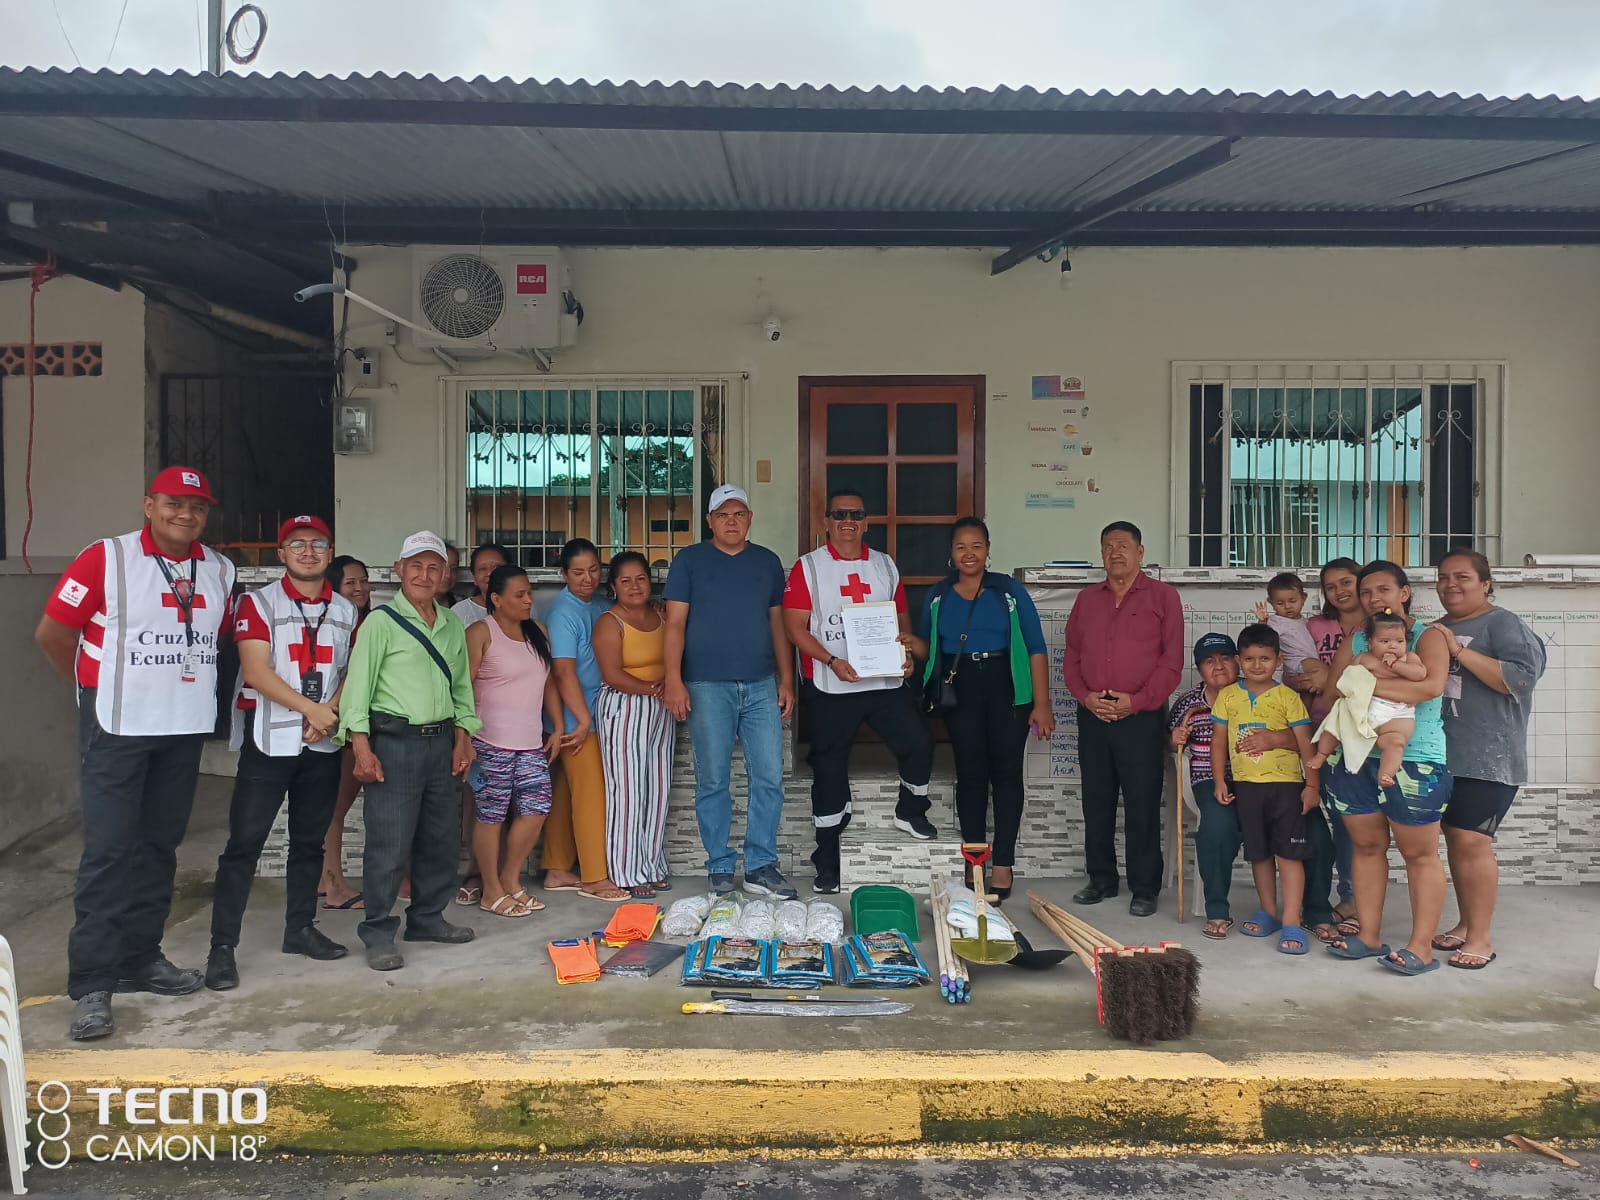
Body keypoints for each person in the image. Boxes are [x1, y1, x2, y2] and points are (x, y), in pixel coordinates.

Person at [35, 466, 236, 1041]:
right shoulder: (106, 558)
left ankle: (142, 957)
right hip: (118, 727)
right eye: (174, 503)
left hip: (181, 728)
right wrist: (93, 691)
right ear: (149, 505)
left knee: (158, 848)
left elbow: (215, 639)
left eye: (198, 506)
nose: (186, 514)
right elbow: (54, 633)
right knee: (109, 851)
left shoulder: (219, 569)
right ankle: (93, 983)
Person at [206, 516, 358, 990]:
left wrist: (330, 711)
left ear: (330, 551)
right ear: (281, 553)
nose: (308, 552)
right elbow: (256, 671)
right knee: (244, 845)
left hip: (322, 742)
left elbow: (352, 671)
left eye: (318, 544)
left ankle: (300, 929)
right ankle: (222, 948)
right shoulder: (258, 603)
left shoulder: (346, 610)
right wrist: (313, 709)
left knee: (309, 843)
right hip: (270, 741)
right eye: (297, 544)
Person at [335, 530, 481, 971]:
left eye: (434, 567)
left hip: (441, 743)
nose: (424, 575)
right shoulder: (380, 623)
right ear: (399, 570)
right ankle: (379, 931)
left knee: (440, 839)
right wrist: (361, 748)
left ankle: (427, 918)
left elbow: (461, 688)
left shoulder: (451, 623)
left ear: (445, 575)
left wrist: (463, 736)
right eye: (415, 566)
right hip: (394, 744)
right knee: (389, 843)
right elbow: (357, 691)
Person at [784, 492, 934, 895]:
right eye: (839, 514)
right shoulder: (808, 567)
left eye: (856, 514)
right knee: (829, 769)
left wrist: (905, 656)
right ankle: (827, 860)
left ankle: (911, 810)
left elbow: (899, 617)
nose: (847, 520)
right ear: (826, 522)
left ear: (866, 523)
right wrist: (832, 660)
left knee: (918, 742)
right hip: (832, 681)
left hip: (882, 680)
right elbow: (795, 628)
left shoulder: (884, 564)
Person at [663, 484, 797, 899]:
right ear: (710, 521)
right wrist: (673, 679)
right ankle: (720, 865)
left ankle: (760, 865)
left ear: (750, 518)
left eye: (739, 514)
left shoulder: (767, 562)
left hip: (760, 684)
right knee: (713, 780)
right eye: (723, 515)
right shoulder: (689, 561)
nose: (731, 521)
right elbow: (675, 625)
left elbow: (777, 624)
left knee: (769, 777)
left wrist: (786, 679)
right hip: (706, 685)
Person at [1322, 560, 1452, 976]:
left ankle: (1422, 948)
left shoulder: (1428, 636)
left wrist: (1363, 682)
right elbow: (1331, 692)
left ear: (1404, 593)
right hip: (1356, 756)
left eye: (1383, 590)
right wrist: (1368, 685)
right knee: (1365, 847)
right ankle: (1369, 935)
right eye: (1366, 592)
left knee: (1419, 853)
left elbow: (1429, 686)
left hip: (1414, 758)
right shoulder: (1358, 638)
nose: (1373, 599)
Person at [922, 517, 1053, 902]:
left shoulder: (1009, 591)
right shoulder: (938, 596)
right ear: (951, 552)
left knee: (1007, 775)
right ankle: (975, 860)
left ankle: (1004, 863)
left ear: (988, 549)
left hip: (1006, 688)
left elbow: (1036, 647)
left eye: (976, 546)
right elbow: (930, 647)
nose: (969, 554)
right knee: (971, 775)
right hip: (961, 689)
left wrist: (1042, 704)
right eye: (961, 546)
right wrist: (901, 644)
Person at [1429, 549, 1545, 970]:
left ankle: (1480, 938)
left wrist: (1458, 652)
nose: (1451, 585)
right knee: (1456, 841)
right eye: (1444, 577)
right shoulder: (1438, 628)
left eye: (1462, 577)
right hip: (1443, 757)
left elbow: (1521, 679)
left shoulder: (1503, 623)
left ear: (1486, 583)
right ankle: (1465, 924)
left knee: (1473, 843)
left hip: (1490, 758)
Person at [1062, 521, 1184, 916]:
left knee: (1142, 802)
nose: (1115, 553)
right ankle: (1101, 879)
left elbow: (1172, 662)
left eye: (1123, 546)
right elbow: (1072, 656)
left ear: (1140, 552)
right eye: (1108, 547)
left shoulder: (1164, 597)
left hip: (1141, 717)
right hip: (1094, 713)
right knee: (1096, 800)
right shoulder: (1087, 600)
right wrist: (1086, 697)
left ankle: (1144, 887)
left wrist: (1138, 701)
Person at [1208, 624, 1321, 956]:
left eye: (1265, 659)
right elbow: (1218, 742)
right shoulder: (1229, 696)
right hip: (1246, 787)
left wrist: (1312, 785)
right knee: (1258, 852)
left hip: (1287, 787)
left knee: (1289, 855)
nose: (1257, 665)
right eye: (1249, 659)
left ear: (1278, 660)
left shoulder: (1288, 697)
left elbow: (1306, 744)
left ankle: (1292, 921)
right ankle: (1269, 912)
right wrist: (1219, 780)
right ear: (1239, 661)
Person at [467, 563, 565, 917]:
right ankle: (490, 890)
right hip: (488, 741)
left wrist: (557, 726)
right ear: (496, 599)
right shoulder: (481, 632)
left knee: (536, 810)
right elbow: (462, 688)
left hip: (530, 743)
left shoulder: (537, 631)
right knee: (490, 815)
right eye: (519, 595)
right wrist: (463, 738)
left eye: (529, 594)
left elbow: (548, 682)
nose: (528, 601)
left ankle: (510, 880)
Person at [541, 539, 628, 902]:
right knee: (592, 794)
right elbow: (562, 672)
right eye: (578, 572)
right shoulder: (564, 612)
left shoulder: (600, 606)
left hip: (590, 715)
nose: (587, 578)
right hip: (576, 720)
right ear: (564, 574)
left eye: (593, 570)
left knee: (565, 793)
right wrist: (580, 720)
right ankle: (594, 876)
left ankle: (556, 867)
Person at [593, 551, 675, 898]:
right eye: (625, 581)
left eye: (640, 578)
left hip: (660, 706)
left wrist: (665, 690)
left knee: (658, 787)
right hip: (625, 706)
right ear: (613, 586)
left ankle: (652, 864)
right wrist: (655, 689)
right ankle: (626, 870)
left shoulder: (661, 615)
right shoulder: (609, 622)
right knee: (627, 790)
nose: (634, 586)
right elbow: (612, 674)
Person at [1296, 558, 1365, 938]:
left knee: (1354, 822)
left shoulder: (1378, 627)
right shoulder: (1313, 627)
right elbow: (1293, 673)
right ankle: (1330, 898)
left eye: (1347, 582)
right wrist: (1317, 680)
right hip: (1317, 733)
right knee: (1331, 820)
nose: (1339, 591)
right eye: (1330, 586)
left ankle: (1355, 897)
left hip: (1361, 736)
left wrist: (1331, 679)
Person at [1168, 633, 1243, 939]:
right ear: (1199, 669)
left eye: (1226, 658)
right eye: (1209, 661)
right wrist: (1173, 740)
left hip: (1256, 779)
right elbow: (1168, 739)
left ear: (1238, 662)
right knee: (1218, 825)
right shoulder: (1189, 703)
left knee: (1310, 827)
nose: (1219, 666)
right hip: (1207, 780)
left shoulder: (1257, 695)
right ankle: (1217, 910)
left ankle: (1313, 912)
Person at [1310, 610, 1427, 787]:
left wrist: (1396, 665)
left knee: (1395, 744)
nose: (1392, 646)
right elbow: (1347, 678)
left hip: (1397, 715)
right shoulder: (1363, 658)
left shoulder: (1410, 658)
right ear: (1370, 643)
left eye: (1399, 641)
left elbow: (1420, 675)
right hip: (1363, 709)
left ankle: (1386, 774)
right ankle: (1321, 754)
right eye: (1384, 641)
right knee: (1334, 726)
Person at [320, 555, 371, 910]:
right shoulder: (332, 623)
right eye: (350, 582)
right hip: (340, 725)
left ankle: (325, 879)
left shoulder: (370, 621)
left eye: (363, 581)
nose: (359, 588)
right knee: (335, 809)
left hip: (356, 722)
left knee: (334, 807)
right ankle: (334, 884)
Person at [1253, 571, 1320, 687]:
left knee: (1309, 695)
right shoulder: (1276, 622)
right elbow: (1262, 638)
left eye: (1292, 601)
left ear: (1303, 598)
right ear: (1271, 603)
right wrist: (1262, 621)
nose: (1287, 606)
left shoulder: (1306, 621)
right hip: (1295, 665)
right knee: (1321, 670)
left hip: (1307, 666)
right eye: (1280, 603)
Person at [453, 543, 510, 628]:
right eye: (483, 569)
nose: (489, 573)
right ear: (474, 578)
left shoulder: (524, 606)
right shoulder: (459, 612)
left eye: (497, 567)